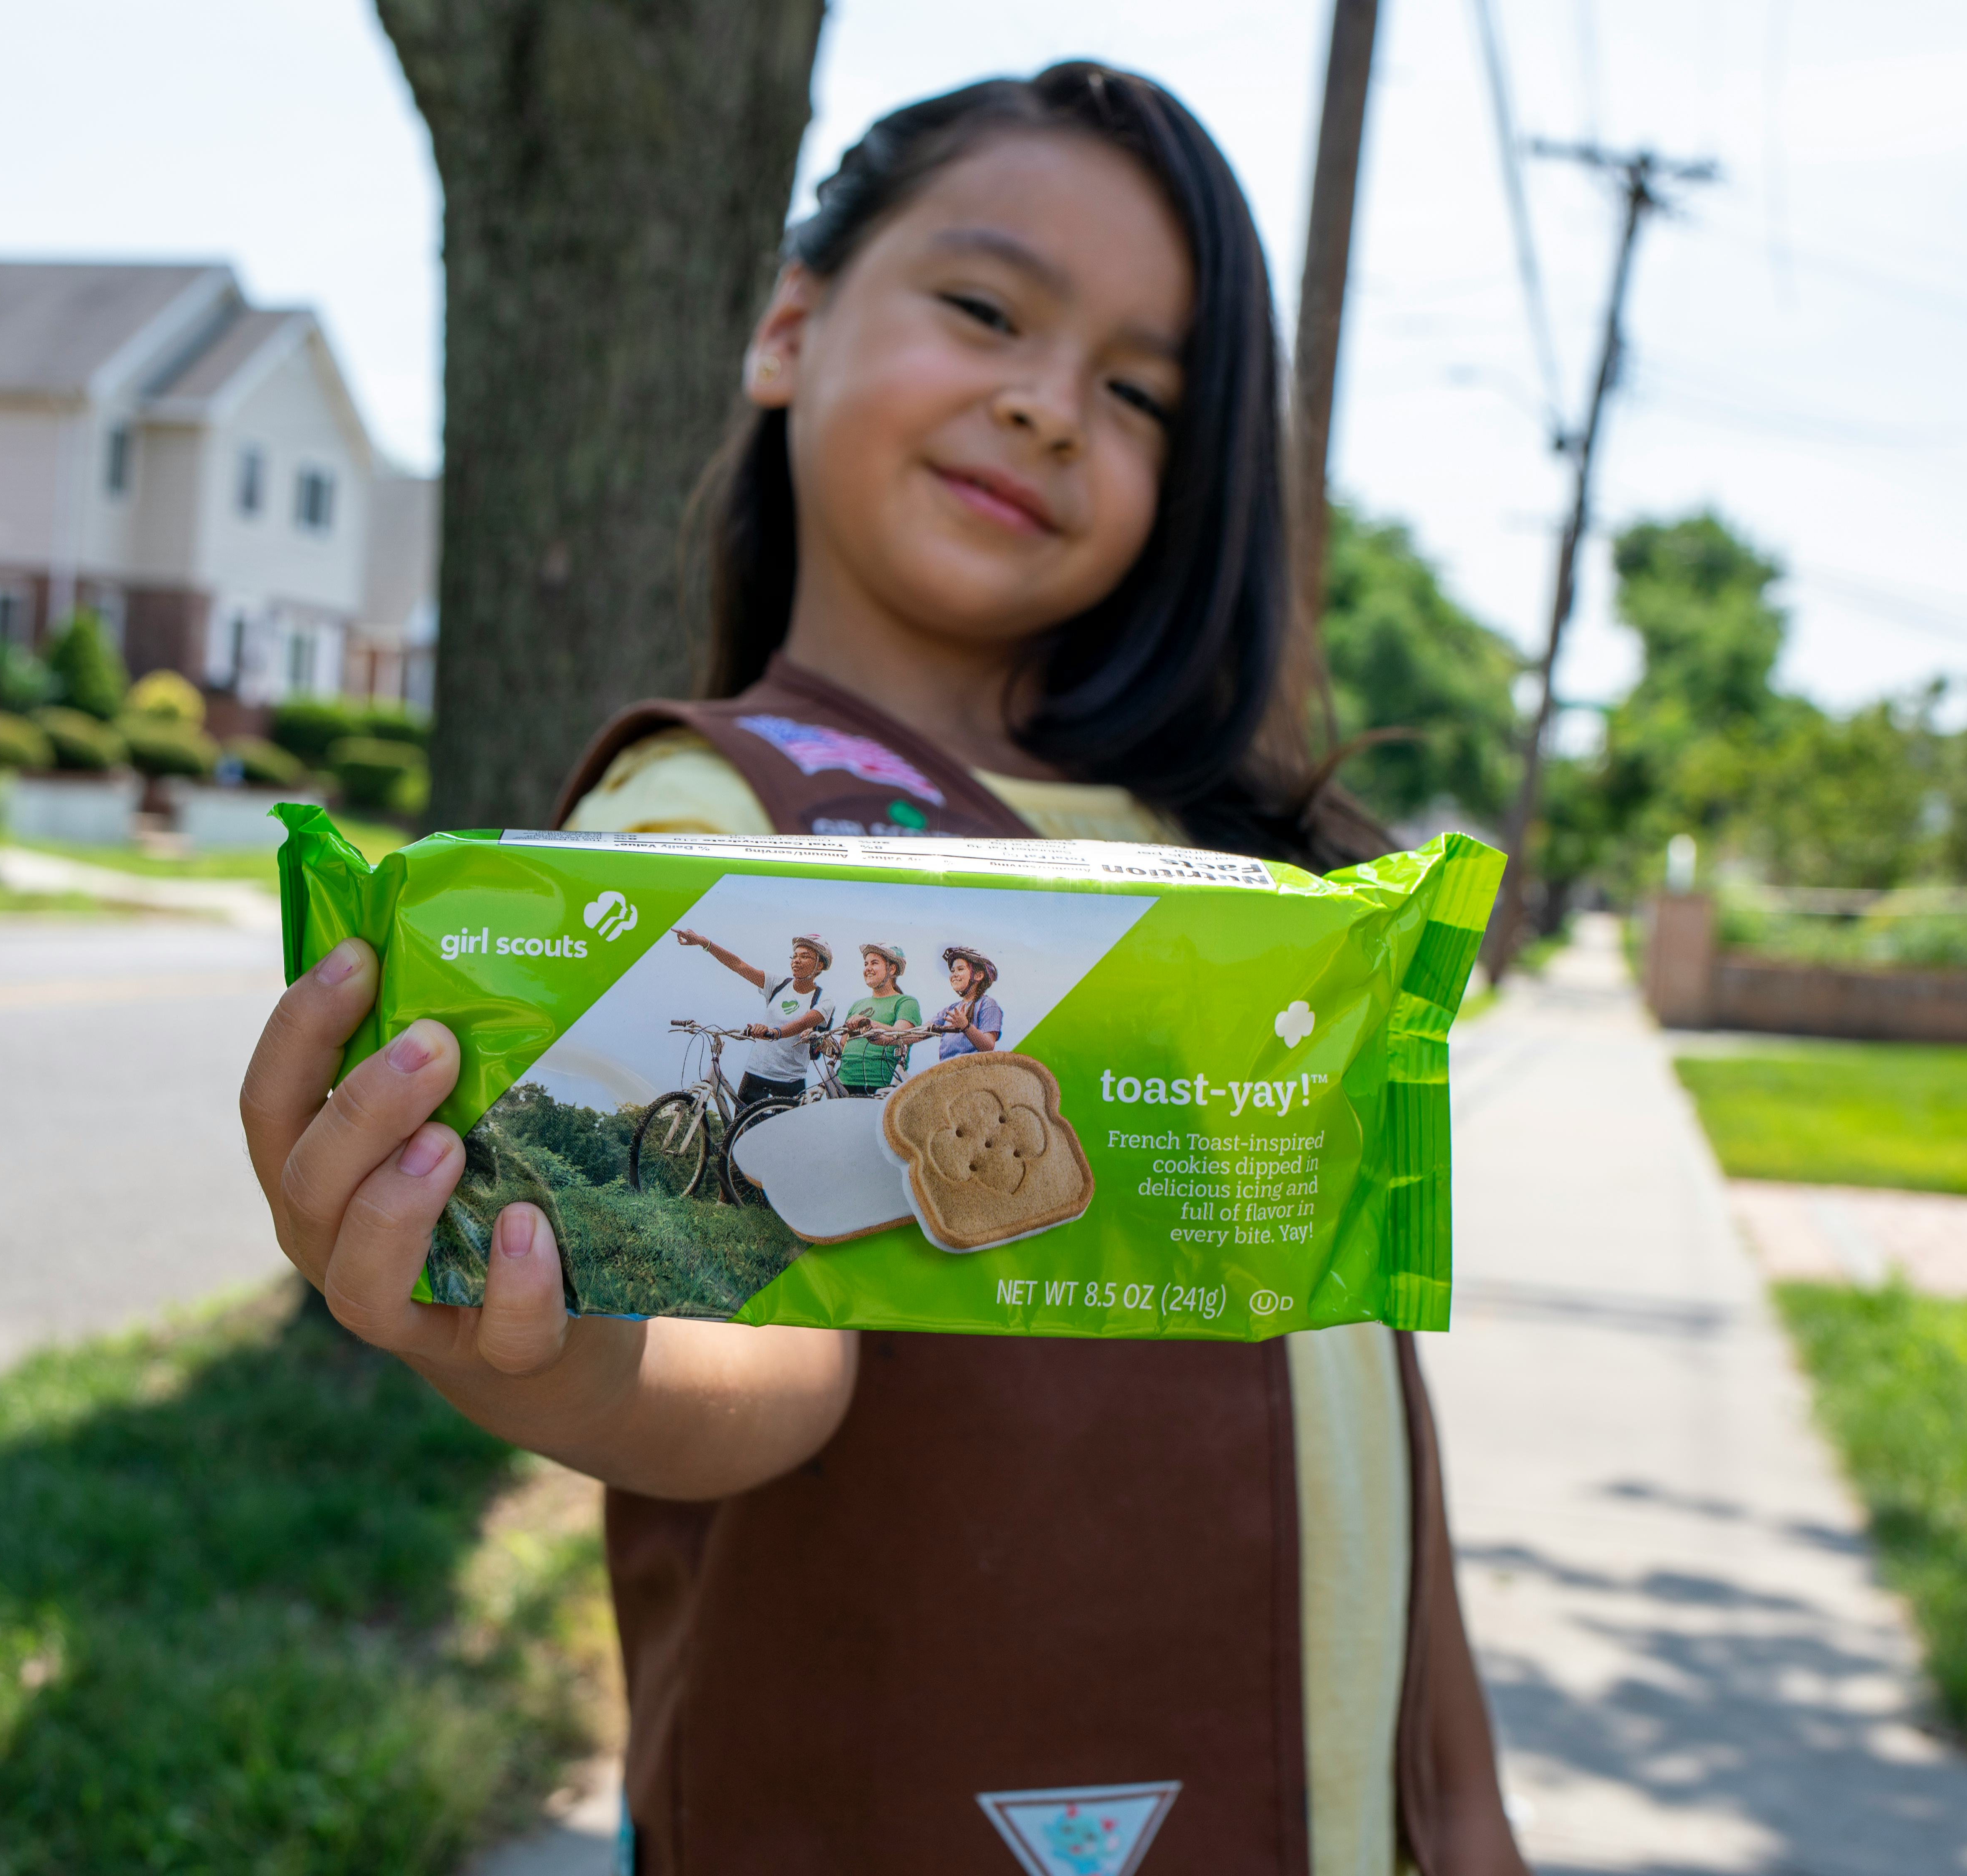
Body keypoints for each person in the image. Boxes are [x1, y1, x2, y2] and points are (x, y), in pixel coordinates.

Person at [238, 63, 1523, 1875]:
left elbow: (1364, 1389)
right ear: (786, 322)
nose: (1045, 405)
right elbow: (744, 1342)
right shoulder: (708, 823)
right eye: (984, 308)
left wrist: (1459, 1818)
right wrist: (538, 1339)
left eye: (1139, 392)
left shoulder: (1240, 870)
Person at [674, 926, 832, 1106]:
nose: (797, 961)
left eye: (805, 957)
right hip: (755, 1074)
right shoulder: (777, 984)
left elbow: (803, 1023)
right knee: (740, 1132)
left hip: (790, 1082)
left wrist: (773, 1032)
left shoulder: (824, 1000)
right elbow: (738, 965)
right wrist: (704, 943)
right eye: (795, 956)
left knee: (783, 1134)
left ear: (820, 965)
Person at [833, 942, 924, 1093]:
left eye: (874, 963)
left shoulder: (906, 1002)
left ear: (892, 969)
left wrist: (869, 1023)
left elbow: (901, 1035)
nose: (868, 968)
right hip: (843, 1082)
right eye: (866, 964)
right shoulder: (858, 1005)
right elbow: (843, 1047)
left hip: (882, 1085)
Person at [928, 943, 1004, 1058]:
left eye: (961, 969)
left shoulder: (987, 1005)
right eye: (953, 971)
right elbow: (923, 1030)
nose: (954, 975)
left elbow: (989, 1046)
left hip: (974, 1070)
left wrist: (965, 1026)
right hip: (947, 1070)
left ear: (978, 976)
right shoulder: (951, 1010)